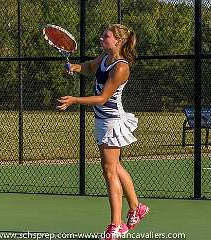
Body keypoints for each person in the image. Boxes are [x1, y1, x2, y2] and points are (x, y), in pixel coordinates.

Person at [56, 24, 149, 240]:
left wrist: (74, 100)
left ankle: (116, 225)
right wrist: (76, 68)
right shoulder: (105, 57)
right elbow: (89, 66)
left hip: (112, 122)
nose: (101, 38)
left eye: (105, 36)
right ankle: (137, 208)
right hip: (102, 120)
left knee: (109, 171)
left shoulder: (121, 67)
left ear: (118, 41)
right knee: (114, 166)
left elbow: (102, 98)